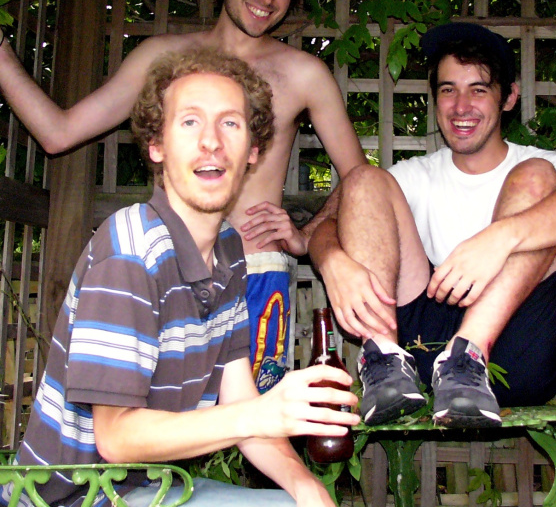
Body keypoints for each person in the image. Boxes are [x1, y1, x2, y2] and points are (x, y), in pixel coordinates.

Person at [0, 0, 366, 392]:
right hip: (166, 268)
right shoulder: (164, 59)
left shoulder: (303, 74)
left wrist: (307, 235)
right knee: (155, 416)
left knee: (251, 421)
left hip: (255, 272)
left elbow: (359, 178)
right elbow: (59, 133)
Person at [2, 49, 360, 507]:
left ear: (253, 151)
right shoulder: (131, 250)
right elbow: (117, 438)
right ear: (157, 146)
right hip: (70, 499)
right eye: (190, 122)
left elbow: (241, 403)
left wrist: (307, 487)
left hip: (146, 488)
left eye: (230, 123)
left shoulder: (228, 250)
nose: (211, 141)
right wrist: (262, 414)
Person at [308, 22, 556, 428]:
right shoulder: (413, 175)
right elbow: (325, 226)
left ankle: (467, 355)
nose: (461, 106)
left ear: (509, 98)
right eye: (448, 89)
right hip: (420, 358)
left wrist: (498, 239)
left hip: (516, 355)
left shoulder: (546, 163)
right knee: (363, 179)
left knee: (537, 178)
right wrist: (332, 261)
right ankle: (383, 359)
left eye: (479, 90)